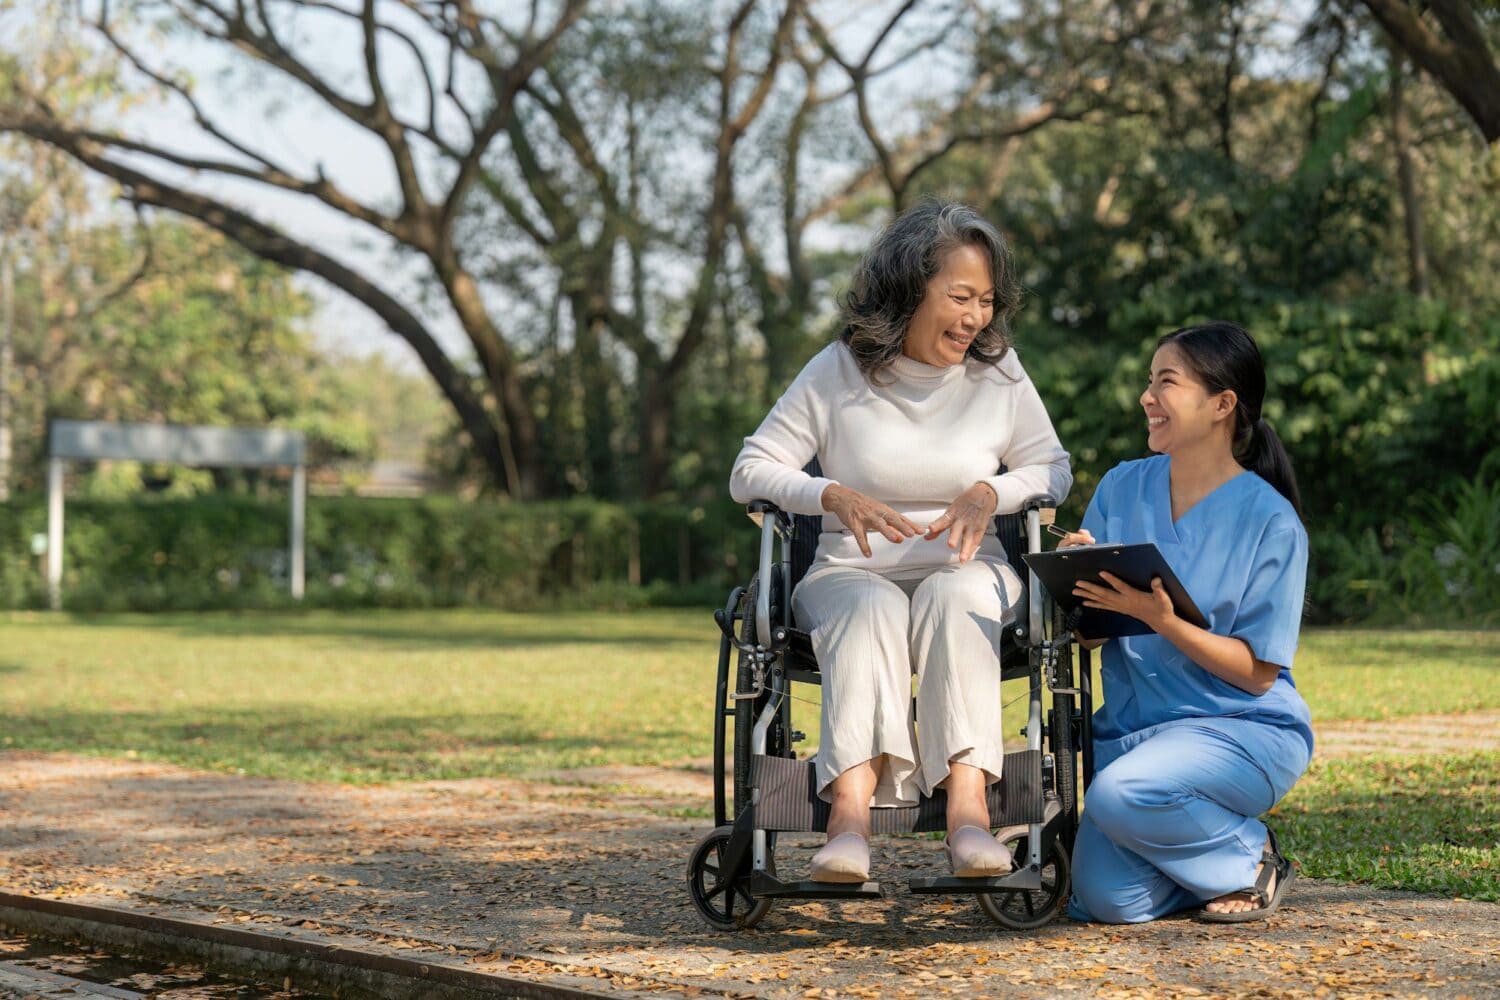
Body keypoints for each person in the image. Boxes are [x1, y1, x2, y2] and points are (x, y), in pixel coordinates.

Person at [729, 200, 1072, 883]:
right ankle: (848, 822)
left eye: (987, 301)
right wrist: (827, 493)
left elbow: (1052, 468)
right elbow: (750, 469)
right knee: (870, 606)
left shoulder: (998, 373)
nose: (976, 317)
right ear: (912, 289)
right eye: (960, 297)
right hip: (848, 573)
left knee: (956, 593)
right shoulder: (837, 372)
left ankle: (969, 814)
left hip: (969, 568)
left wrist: (989, 493)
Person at [1057, 320, 1312, 923]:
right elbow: (1092, 632)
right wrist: (1075, 583)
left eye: (1165, 382)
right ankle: (1208, 865)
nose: (1147, 397)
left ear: (1222, 404)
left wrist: (1162, 620)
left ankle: (1249, 858)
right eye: (1150, 382)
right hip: (1136, 735)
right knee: (1106, 900)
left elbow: (1256, 674)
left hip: (1240, 731)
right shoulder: (1122, 487)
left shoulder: (1271, 522)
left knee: (1122, 795)